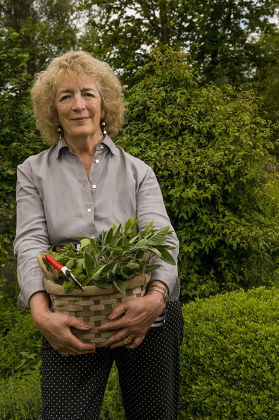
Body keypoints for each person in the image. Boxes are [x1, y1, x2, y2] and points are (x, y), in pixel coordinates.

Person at [14, 51, 184, 420]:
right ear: (52, 110)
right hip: (71, 320)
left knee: (155, 414)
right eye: (65, 96)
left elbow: (163, 240)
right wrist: (41, 314)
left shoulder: (139, 172)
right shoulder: (32, 172)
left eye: (88, 94)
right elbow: (29, 243)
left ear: (104, 104)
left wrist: (155, 301)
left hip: (144, 316)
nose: (79, 105)